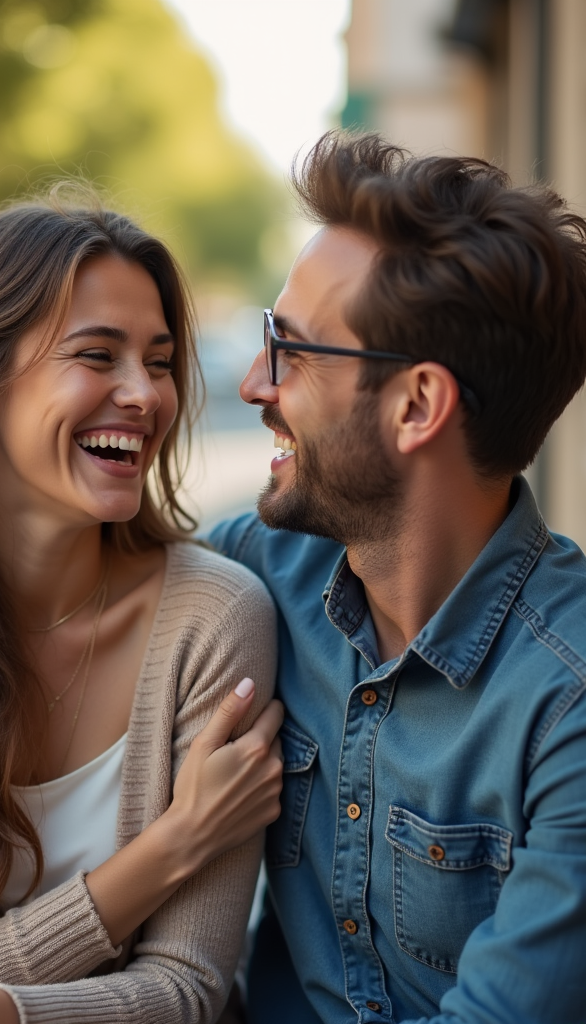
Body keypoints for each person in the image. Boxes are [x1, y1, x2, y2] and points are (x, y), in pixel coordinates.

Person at [0, 195, 284, 1024]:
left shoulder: (212, 620)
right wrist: (173, 845)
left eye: (162, 360)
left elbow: (186, 992)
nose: (144, 395)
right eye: (97, 355)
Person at [208, 131, 586, 1024]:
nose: (254, 385)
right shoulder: (257, 575)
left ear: (417, 405)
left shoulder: (567, 703)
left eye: (290, 350)